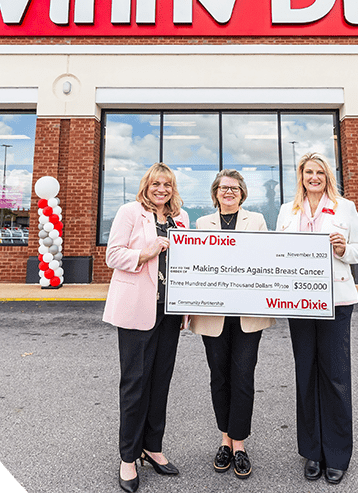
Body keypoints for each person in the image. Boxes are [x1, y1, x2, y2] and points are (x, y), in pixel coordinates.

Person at [276, 153, 358, 485]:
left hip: (336, 302)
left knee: (335, 377)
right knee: (306, 375)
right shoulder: (288, 210)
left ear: (327, 175)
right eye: (308, 172)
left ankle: (338, 454)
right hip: (299, 304)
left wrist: (344, 249)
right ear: (300, 176)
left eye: (319, 172)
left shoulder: (345, 207)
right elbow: (276, 255)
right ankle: (312, 452)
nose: (314, 177)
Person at [102, 163, 190, 493]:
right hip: (137, 310)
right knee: (135, 383)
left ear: (173, 188)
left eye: (167, 184)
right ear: (146, 185)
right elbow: (113, 255)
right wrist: (145, 253)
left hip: (167, 313)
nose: (161, 189)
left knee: (160, 382)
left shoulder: (180, 219)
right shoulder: (130, 212)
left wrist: (184, 309)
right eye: (156, 183)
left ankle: (152, 447)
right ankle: (128, 457)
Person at [190, 169, 275, 480]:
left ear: (242, 194)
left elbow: (268, 261)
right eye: (223, 188)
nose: (228, 193)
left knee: (243, 375)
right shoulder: (201, 224)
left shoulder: (257, 222)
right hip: (213, 315)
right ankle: (224, 439)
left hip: (248, 315)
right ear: (215, 193)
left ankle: (239, 444)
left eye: (234, 188)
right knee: (219, 377)